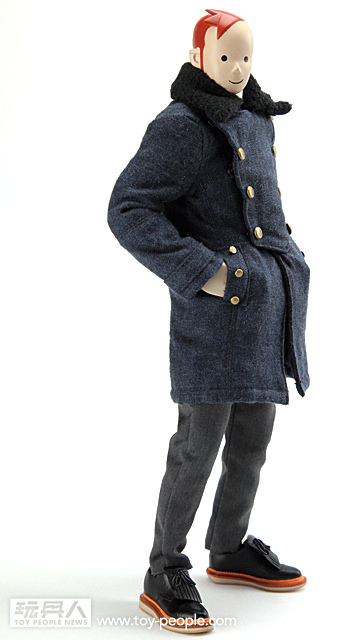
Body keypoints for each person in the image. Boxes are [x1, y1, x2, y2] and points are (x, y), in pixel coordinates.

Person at [107, 8, 310, 634]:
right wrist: (204, 271)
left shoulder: (255, 116)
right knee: (197, 445)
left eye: (246, 57)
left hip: (264, 309)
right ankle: (164, 568)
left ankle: (228, 547)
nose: (238, 69)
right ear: (200, 58)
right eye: (226, 58)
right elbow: (129, 209)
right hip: (214, 316)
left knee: (252, 441)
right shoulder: (180, 125)